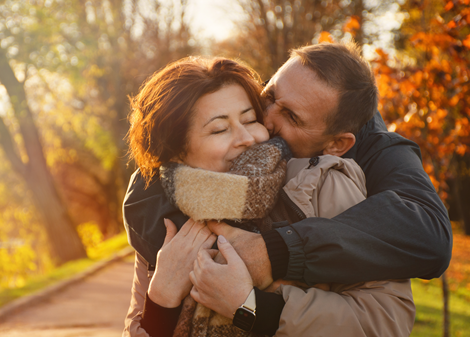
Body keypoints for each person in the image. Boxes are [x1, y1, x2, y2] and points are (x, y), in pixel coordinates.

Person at [124, 42, 451, 334]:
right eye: (267, 98)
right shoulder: (166, 209)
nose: (261, 125)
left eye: (291, 117)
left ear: (337, 143)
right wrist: (161, 297)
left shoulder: (327, 181)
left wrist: (253, 297)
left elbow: (387, 315)